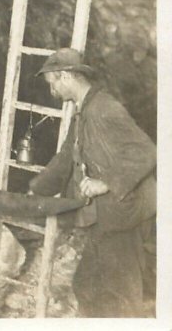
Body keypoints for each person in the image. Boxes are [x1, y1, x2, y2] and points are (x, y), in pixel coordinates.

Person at [29, 48, 156, 317]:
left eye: (53, 83)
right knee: (87, 284)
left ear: (64, 76)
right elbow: (66, 158)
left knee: (120, 292)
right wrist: (35, 190)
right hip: (107, 214)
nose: (53, 91)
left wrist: (105, 183)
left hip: (124, 213)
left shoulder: (104, 109)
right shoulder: (84, 111)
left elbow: (147, 151)